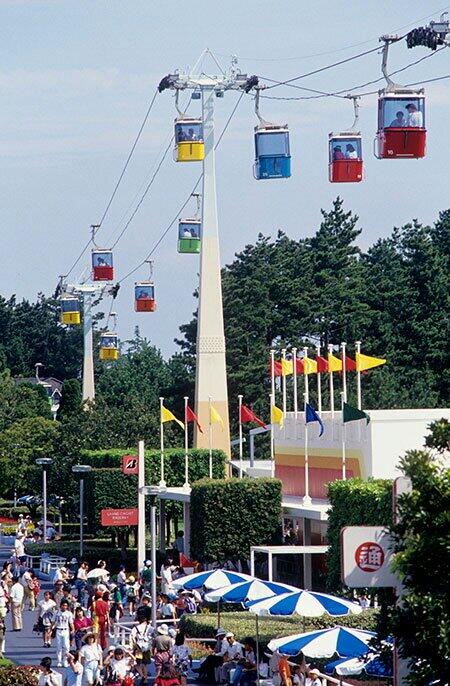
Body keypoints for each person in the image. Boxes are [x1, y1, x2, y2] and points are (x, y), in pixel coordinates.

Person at [131, 608, 154, 686]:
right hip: (147, 648)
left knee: (137, 664)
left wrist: (134, 646)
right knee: (145, 664)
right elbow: (153, 638)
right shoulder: (150, 628)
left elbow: (132, 638)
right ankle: (146, 679)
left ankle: (142, 676)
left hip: (138, 649)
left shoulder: (136, 628)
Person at [52, 598, 75, 668]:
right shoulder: (56, 612)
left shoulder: (69, 613)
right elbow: (53, 621)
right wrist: (50, 629)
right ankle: (59, 661)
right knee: (59, 647)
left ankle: (65, 661)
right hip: (59, 630)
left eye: (66, 605)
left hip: (66, 630)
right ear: (60, 605)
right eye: (63, 605)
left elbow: (71, 622)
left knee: (66, 646)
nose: (64, 607)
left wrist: (73, 629)